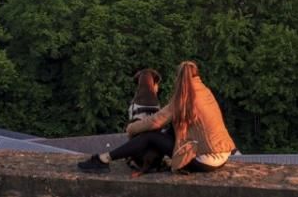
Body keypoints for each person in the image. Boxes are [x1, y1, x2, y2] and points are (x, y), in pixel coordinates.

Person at [78, 61, 235, 174]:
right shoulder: (206, 92)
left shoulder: (183, 98)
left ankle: (104, 158)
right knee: (171, 128)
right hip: (223, 156)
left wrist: (131, 128)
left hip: (204, 161)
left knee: (149, 136)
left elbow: (155, 121)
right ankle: (150, 161)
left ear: (179, 79)